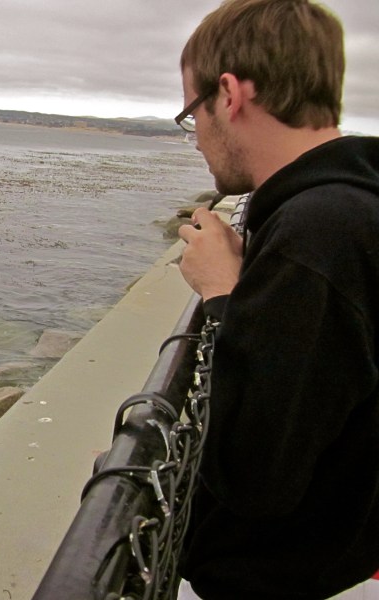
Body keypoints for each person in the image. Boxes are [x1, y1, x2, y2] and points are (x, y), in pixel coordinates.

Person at [174, 1, 379, 598]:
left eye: (192, 114)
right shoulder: (351, 207)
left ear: (230, 93)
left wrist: (221, 293)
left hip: (290, 579)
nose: (195, 141)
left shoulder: (316, 235)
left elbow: (253, 477)